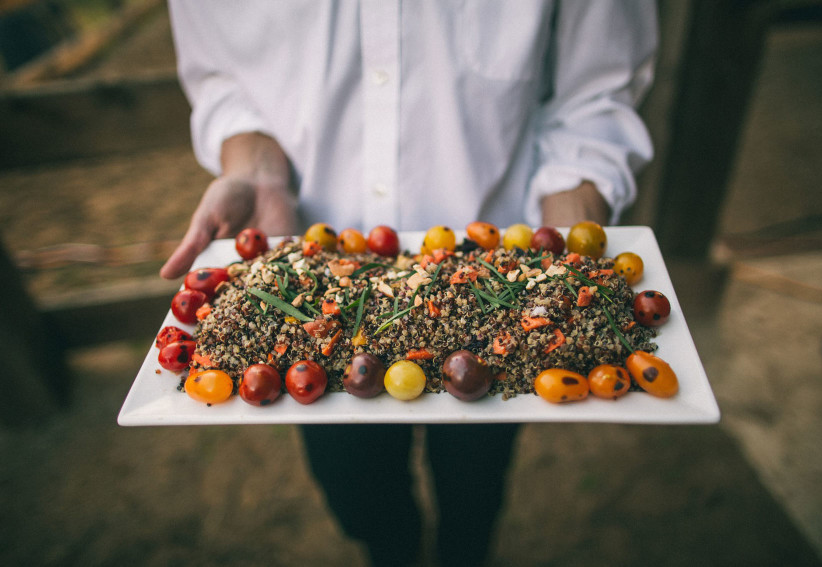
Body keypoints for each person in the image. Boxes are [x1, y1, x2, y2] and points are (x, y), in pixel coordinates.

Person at [161, 2, 657, 565]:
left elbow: (596, 93)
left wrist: (567, 254)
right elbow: (224, 81)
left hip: (504, 299)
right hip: (307, 295)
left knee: (475, 485)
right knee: (358, 493)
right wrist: (255, 170)